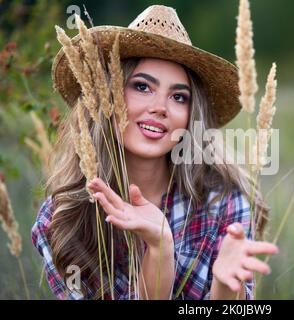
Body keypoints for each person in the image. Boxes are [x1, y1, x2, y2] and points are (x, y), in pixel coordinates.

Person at [31, 4, 278, 300]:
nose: (160, 107)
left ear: (191, 115)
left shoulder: (221, 200)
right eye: (142, 87)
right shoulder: (62, 219)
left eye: (178, 96)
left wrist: (226, 289)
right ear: (106, 94)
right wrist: (160, 250)